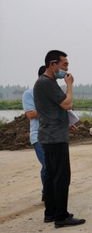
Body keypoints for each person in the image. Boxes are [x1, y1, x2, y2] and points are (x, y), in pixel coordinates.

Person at [33, 50, 85, 228]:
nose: (66, 69)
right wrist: (69, 85)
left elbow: (55, 109)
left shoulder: (46, 83)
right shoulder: (47, 83)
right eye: (64, 65)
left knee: (51, 175)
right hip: (54, 137)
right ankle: (61, 217)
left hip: (50, 135)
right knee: (61, 177)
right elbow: (67, 103)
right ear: (52, 64)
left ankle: (52, 212)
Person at [22, 65, 48, 201]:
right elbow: (31, 114)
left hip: (53, 135)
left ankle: (49, 192)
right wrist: (48, 109)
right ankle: (48, 193)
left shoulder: (52, 92)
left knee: (53, 166)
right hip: (38, 135)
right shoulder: (29, 93)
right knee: (47, 165)